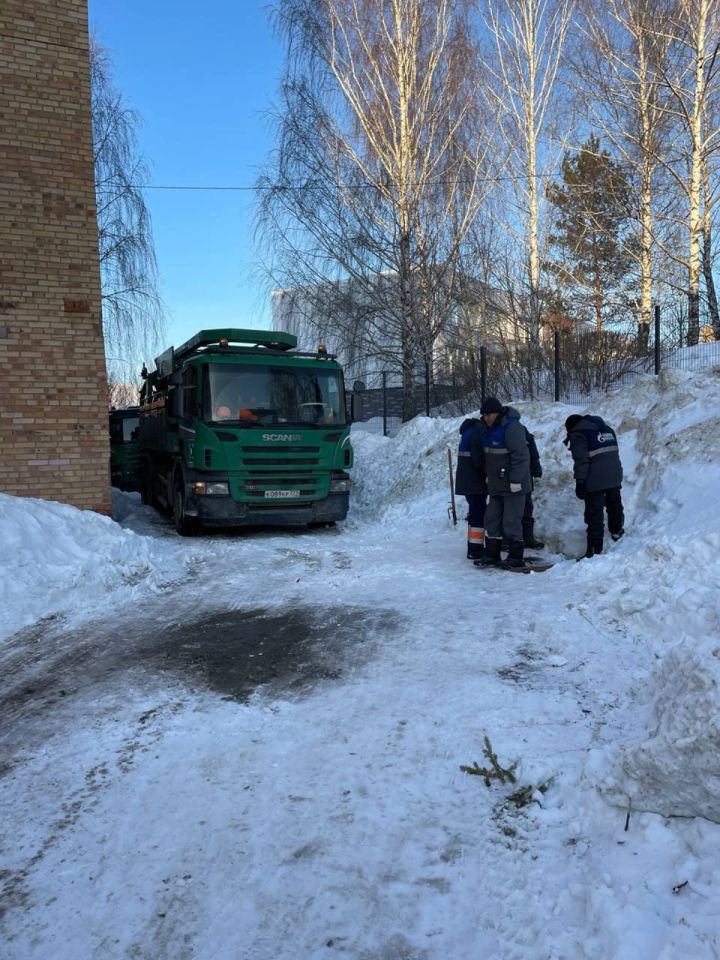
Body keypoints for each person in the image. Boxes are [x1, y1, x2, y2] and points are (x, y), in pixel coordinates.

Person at [475, 396, 532, 569]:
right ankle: (492, 555)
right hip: (496, 485)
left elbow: (521, 457)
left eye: (488, 414)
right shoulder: (488, 429)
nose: (485, 418)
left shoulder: (512, 427)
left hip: (514, 485)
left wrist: (516, 480)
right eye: (483, 415)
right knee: (492, 519)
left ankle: (515, 557)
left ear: (497, 413)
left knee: (511, 521)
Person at [564, 413, 625, 559]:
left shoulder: (578, 434)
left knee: (594, 513)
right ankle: (617, 530)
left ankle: (594, 550)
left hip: (595, 478)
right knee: (614, 504)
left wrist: (580, 482)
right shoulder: (608, 430)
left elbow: (581, 461)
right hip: (614, 474)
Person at [454, 417, 487, 560]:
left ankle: (474, 547)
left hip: (467, 480)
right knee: (478, 514)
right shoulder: (477, 432)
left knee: (475, 512)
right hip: (474, 481)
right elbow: (478, 459)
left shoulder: (468, 432)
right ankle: (475, 549)